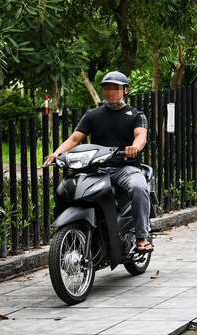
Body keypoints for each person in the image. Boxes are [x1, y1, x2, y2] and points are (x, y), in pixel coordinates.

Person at [44, 71, 153, 253]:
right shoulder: (93, 115)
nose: (111, 92)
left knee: (139, 186)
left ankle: (141, 236)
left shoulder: (135, 115)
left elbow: (141, 136)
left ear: (126, 90)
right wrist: (56, 154)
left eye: (115, 88)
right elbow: (74, 139)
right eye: (107, 88)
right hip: (96, 169)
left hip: (124, 167)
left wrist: (135, 147)